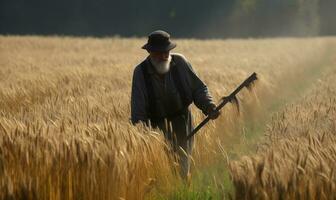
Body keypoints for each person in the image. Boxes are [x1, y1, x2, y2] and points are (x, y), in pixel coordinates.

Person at [130, 30, 220, 179]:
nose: (164, 56)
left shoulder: (180, 63)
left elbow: (198, 89)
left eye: (166, 52)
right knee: (161, 174)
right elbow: (138, 111)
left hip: (183, 125)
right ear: (150, 52)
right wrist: (143, 138)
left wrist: (209, 106)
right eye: (159, 53)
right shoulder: (140, 73)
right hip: (156, 130)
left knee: (182, 170)